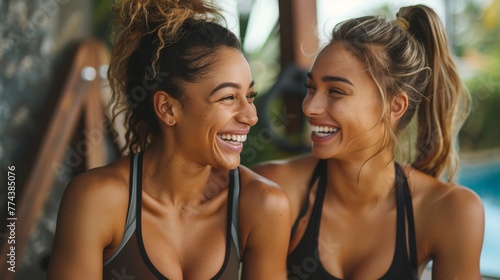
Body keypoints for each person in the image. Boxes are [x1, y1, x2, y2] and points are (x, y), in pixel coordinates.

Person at [47, 0, 291, 279]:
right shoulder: (98, 199)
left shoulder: (262, 204)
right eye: (228, 97)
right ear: (167, 108)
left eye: (249, 96)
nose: (250, 116)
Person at [253, 4, 484, 280]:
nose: (309, 107)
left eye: (336, 92)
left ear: (395, 106)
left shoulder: (450, 211)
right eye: (311, 88)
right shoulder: (275, 191)